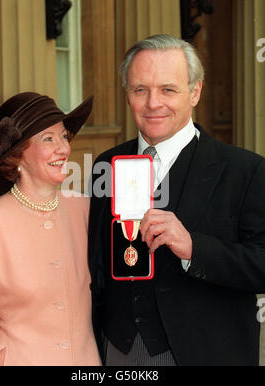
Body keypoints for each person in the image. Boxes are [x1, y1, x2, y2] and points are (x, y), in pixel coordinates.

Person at [88, 34, 265, 366]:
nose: (153, 103)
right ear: (127, 95)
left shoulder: (247, 171)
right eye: (140, 90)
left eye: (168, 89)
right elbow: (91, 261)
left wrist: (194, 248)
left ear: (195, 92)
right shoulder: (105, 165)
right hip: (121, 353)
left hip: (209, 352)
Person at [0, 92, 101, 366]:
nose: (63, 149)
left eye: (63, 136)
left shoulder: (87, 210)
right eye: (48, 139)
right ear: (17, 156)